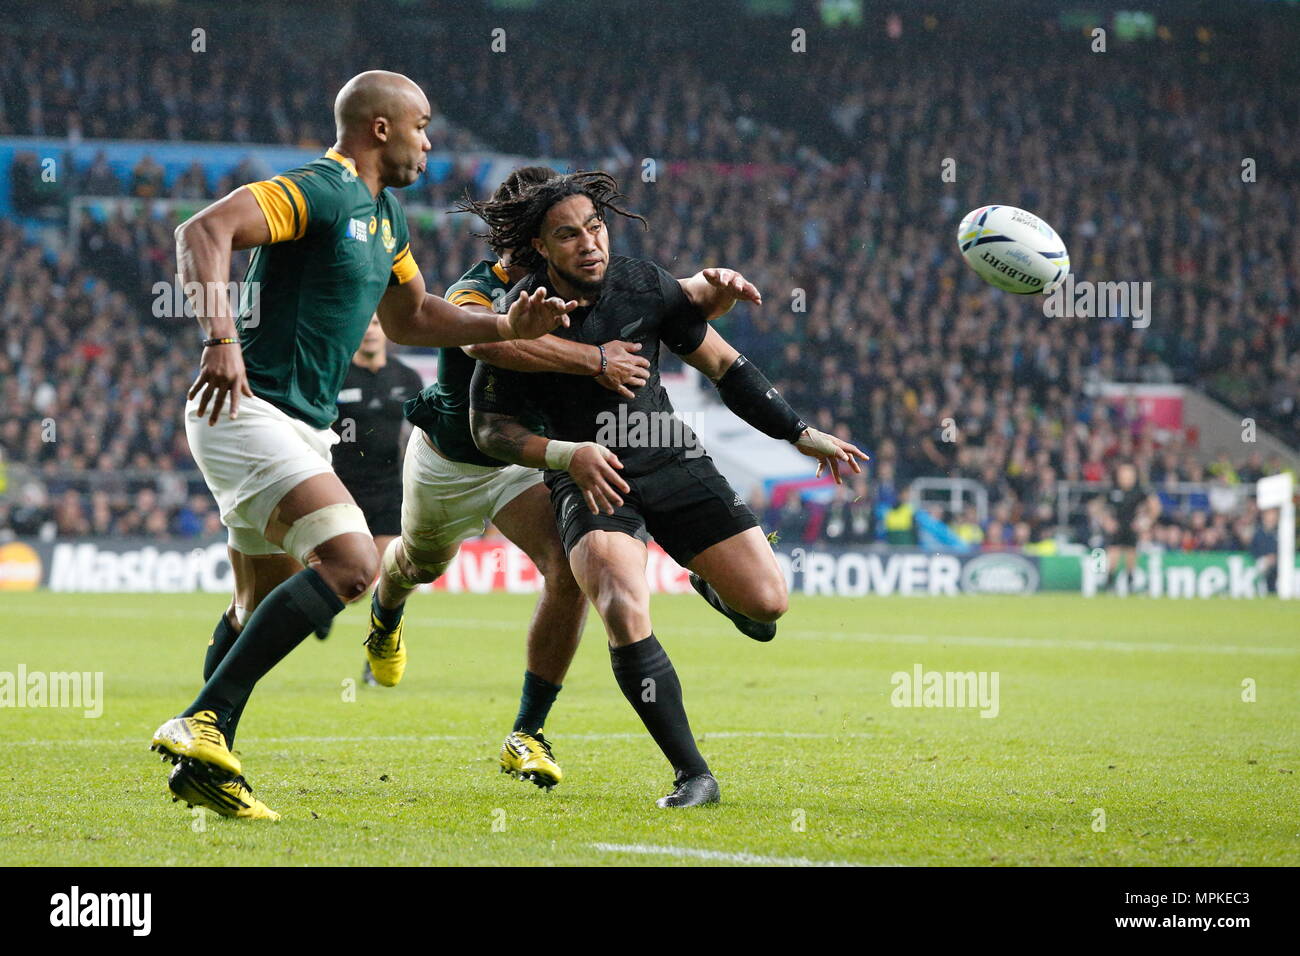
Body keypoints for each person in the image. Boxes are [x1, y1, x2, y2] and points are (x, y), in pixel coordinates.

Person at [149, 71, 571, 820]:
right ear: (381, 128)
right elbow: (202, 232)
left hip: (298, 430)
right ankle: (200, 724)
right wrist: (220, 338)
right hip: (247, 410)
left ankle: (205, 764)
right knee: (353, 564)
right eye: (422, 126)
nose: (429, 141)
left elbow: (414, 317)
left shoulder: (386, 217)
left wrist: (507, 327)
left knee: (254, 607)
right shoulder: (320, 188)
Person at [467, 171, 866, 807]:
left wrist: (800, 432)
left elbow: (724, 365)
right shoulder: (520, 313)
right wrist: (567, 455)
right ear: (541, 247)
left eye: (594, 228)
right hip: (589, 477)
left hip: (671, 456)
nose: (589, 244)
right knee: (622, 604)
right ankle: (693, 774)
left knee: (767, 605)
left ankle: (711, 581)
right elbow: (488, 429)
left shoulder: (642, 283)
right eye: (568, 236)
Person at [365, 166, 770, 790]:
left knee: (569, 567)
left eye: (585, 228)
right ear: (520, 234)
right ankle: (386, 617)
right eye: (551, 231)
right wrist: (593, 359)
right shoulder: (476, 289)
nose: (579, 241)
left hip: (530, 456)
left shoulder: (589, 276)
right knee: (415, 564)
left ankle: (528, 730)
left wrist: (708, 291)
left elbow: (668, 295)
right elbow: (488, 346)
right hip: (452, 458)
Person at [329, 314, 423, 687]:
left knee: (389, 575)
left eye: (376, 324)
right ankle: (323, 610)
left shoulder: (406, 378)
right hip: (341, 488)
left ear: (387, 331)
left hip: (388, 489)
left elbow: (419, 431)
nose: (369, 330)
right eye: (363, 323)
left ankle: (377, 651)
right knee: (347, 581)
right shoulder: (338, 375)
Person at [1104, 461, 1161, 595]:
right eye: (1123, 474)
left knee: (1131, 554)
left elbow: (1155, 507)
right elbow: (1101, 507)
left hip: (1132, 527)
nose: (1125, 477)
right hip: (1115, 527)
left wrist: (1145, 522)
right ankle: (1108, 582)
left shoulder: (1140, 490)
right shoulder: (1112, 489)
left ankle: (1130, 582)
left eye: (1129, 474)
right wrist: (1106, 521)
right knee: (1111, 553)